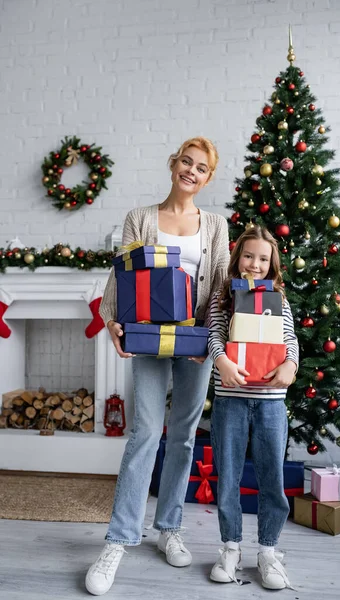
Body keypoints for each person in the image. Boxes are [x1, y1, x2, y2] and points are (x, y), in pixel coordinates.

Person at [85, 137, 230, 596]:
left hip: (195, 342)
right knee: (146, 432)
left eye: (201, 167)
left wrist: (212, 340)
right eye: (186, 162)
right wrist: (112, 320)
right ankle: (118, 540)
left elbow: (223, 284)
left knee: (184, 436)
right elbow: (122, 276)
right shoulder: (140, 218)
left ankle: (169, 527)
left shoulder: (215, 225)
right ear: (173, 165)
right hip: (147, 339)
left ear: (208, 178)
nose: (191, 171)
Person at [207, 225, 299, 591]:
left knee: (271, 478)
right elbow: (214, 333)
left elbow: (289, 339)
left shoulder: (279, 297)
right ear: (237, 258)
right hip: (230, 397)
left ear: (272, 263)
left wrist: (290, 366)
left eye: (263, 258)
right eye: (248, 256)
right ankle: (230, 547)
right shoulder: (222, 296)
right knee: (227, 474)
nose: (255, 264)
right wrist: (222, 361)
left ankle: (268, 550)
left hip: (271, 402)